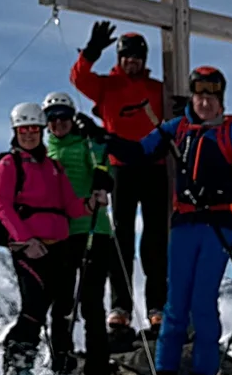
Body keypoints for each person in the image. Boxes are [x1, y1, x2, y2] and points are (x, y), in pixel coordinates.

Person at [119, 65, 232, 375]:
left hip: (218, 222)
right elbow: (141, 150)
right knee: (176, 297)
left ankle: (204, 370)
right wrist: (105, 139)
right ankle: (165, 370)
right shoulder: (177, 127)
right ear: (192, 97)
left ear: (221, 99)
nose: (205, 101)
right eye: (200, 95)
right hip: (183, 220)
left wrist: (215, 192)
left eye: (212, 95)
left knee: (202, 297)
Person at [71, 23, 170, 348]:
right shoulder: (107, 85)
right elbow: (78, 79)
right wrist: (91, 51)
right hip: (120, 169)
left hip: (156, 167)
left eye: (137, 57)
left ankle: (157, 307)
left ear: (144, 59)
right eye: (126, 56)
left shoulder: (159, 89)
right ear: (119, 58)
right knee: (121, 237)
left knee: (156, 238)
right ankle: (121, 308)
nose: (132, 62)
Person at [0, 101, 92, 375]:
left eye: (34, 129)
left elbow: (71, 206)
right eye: (24, 130)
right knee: (34, 307)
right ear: (15, 131)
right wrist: (24, 239)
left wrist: (91, 203)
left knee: (61, 308)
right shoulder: (8, 165)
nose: (29, 135)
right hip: (29, 248)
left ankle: (54, 365)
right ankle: (16, 371)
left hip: (58, 246)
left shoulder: (53, 167)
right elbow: (2, 206)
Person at [41, 91, 115, 375]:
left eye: (64, 117)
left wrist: (102, 175)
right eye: (53, 118)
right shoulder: (44, 153)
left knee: (91, 301)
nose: (59, 123)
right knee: (61, 303)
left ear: (73, 118)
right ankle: (63, 365)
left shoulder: (87, 144)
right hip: (59, 235)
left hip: (93, 229)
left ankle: (97, 368)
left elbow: (104, 159)